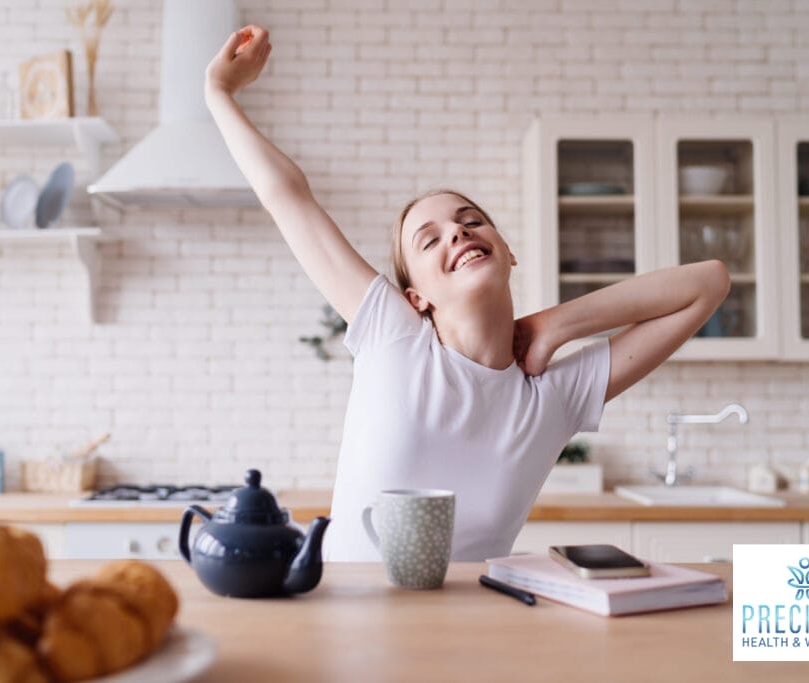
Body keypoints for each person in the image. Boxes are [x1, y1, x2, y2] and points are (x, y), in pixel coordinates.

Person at [205, 26, 731, 561]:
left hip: (476, 625)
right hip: (348, 623)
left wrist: (558, 323)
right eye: (429, 239)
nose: (458, 233)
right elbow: (287, 197)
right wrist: (219, 94)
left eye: (472, 221)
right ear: (415, 298)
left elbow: (708, 282)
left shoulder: (553, 395)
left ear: (508, 251)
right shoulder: (395, 338)